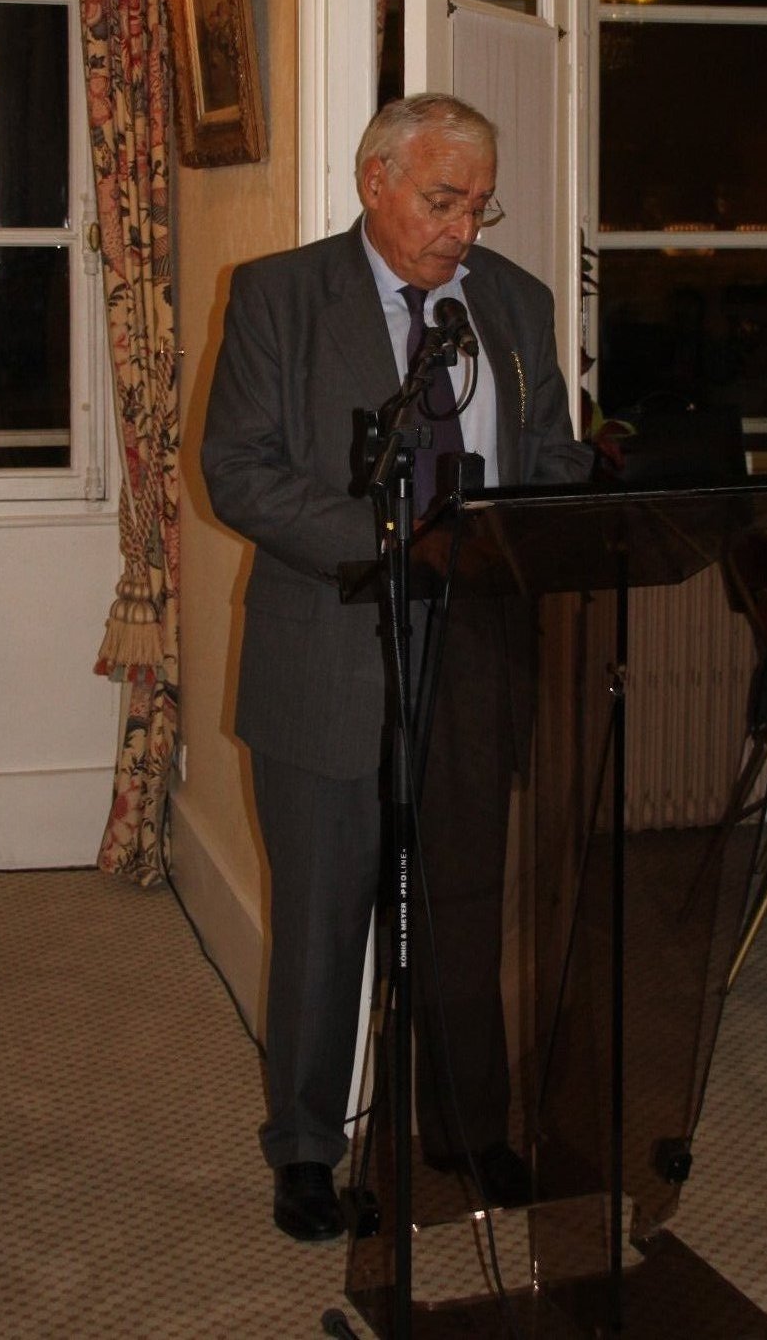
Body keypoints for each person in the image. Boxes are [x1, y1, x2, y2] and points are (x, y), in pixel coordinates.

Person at [201, 92, 593, 1242]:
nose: (464, 228)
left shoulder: (516, 303)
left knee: (464, 897)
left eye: (479, 203)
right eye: (442, 199)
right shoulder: (281, 295)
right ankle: (309, 1148)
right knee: (326, 913)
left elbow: (554, 450)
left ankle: (467, 1126)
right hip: (331, 642)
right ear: (375, 179)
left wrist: (546, 514)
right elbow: (241, 470)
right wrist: (391, 543)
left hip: (476, 644)